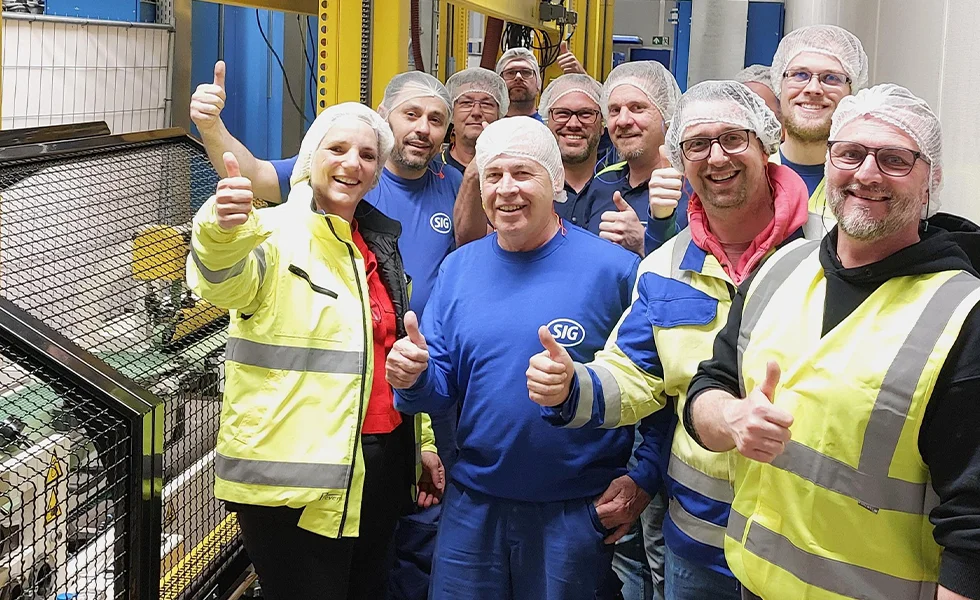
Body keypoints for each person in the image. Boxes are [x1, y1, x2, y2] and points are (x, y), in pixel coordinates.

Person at [686, 84, 980, 600]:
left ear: (930, 181)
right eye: (850, 153)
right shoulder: (780, 268)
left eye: (894, 159)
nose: (867, 173)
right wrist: (729, 418)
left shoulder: (962, 315)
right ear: (828, 163)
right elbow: (710, 385)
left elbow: (972, 522)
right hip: (753, 584)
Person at [527, 80, 814, 600]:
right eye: (697, 145)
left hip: (806, 542)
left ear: (766, 144)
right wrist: (572, 385)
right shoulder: (665, 268)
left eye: (733, 138)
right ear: (680, 160)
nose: (716, 157)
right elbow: (635, 374)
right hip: (700, 541)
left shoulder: (828, 255)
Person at [386, 117, 656, 600]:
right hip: (473, 509)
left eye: (522, 173)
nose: (506, 189)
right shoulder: (459, 269)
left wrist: (644, 476)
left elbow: (657, 380)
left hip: (574, 511)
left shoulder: (614, 271)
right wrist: (414, 377)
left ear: (555, 182)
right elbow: (440, 388)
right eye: (493, 175)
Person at [187, 102, 444, 600]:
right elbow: (220, 280)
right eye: (338, 149)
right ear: (310, 157)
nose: (352, 163)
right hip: (296, 486)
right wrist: (220, 228)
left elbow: (388, 352)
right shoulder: (272, 232)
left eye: (367, 155)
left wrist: (424, 442)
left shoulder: (376, 243)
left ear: (377, 172)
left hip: (380, 466)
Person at [578, 61, 683, 256]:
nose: (623, 120)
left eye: (637, 108)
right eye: (614, 110)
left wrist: (644, 242)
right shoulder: (602, 183)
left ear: (667, 115)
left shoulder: (692, 189)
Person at [769, 24, 868, 216]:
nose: (813, 88)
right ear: (779, 85)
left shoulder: (867, 183)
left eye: (831, 78)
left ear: (852, 92)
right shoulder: (749, 174)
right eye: (800, 75)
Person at [539, 73, 606, 226]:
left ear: (603, 123)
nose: (573, 124)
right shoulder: (529, 189)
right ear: (546, 121)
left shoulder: (617, 187)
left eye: (586, 114)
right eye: (562, 113)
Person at [435, 67, 508, 175]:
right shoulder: (430, 169)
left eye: (486, 104)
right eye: (466, 103)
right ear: (451, 112)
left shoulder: (509, 170)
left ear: (499, 113)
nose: (476, 112)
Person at [495, 47, 544, 120]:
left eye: (526, 72)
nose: (518, 77)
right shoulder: (490, 125)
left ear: (538, 83)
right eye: (510, 72)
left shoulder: (550, 125)